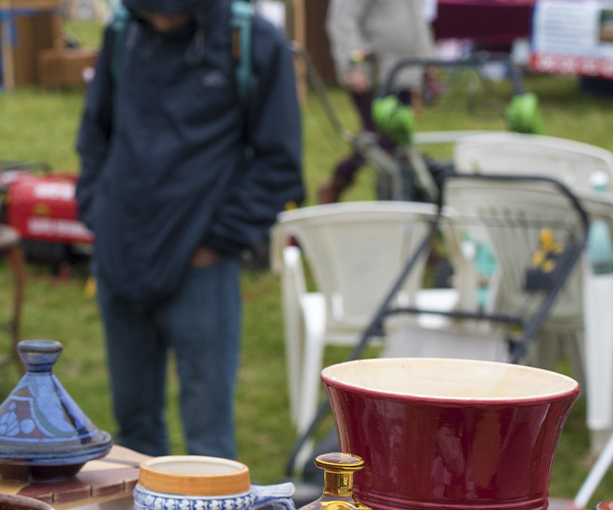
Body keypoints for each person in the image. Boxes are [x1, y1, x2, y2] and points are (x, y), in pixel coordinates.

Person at [74, 0, 303, 459]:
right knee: (133, 433)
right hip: (121, 254)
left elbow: (280, 164)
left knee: (208, 443)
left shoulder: (252, 42)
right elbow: (95, 133)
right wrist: (99, 213)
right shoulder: (124, 33)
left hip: (201, 270)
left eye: (173, 12)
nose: (161, 19)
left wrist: (216, 242)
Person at [317, 0, 433, 203]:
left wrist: (428, 62)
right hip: (374, 74)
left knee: (398, 141)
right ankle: (339, 182)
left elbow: (417, 20)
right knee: (378, 141)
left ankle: (402, 201)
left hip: (405, 72)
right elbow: (342, 19)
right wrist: (353, 64)